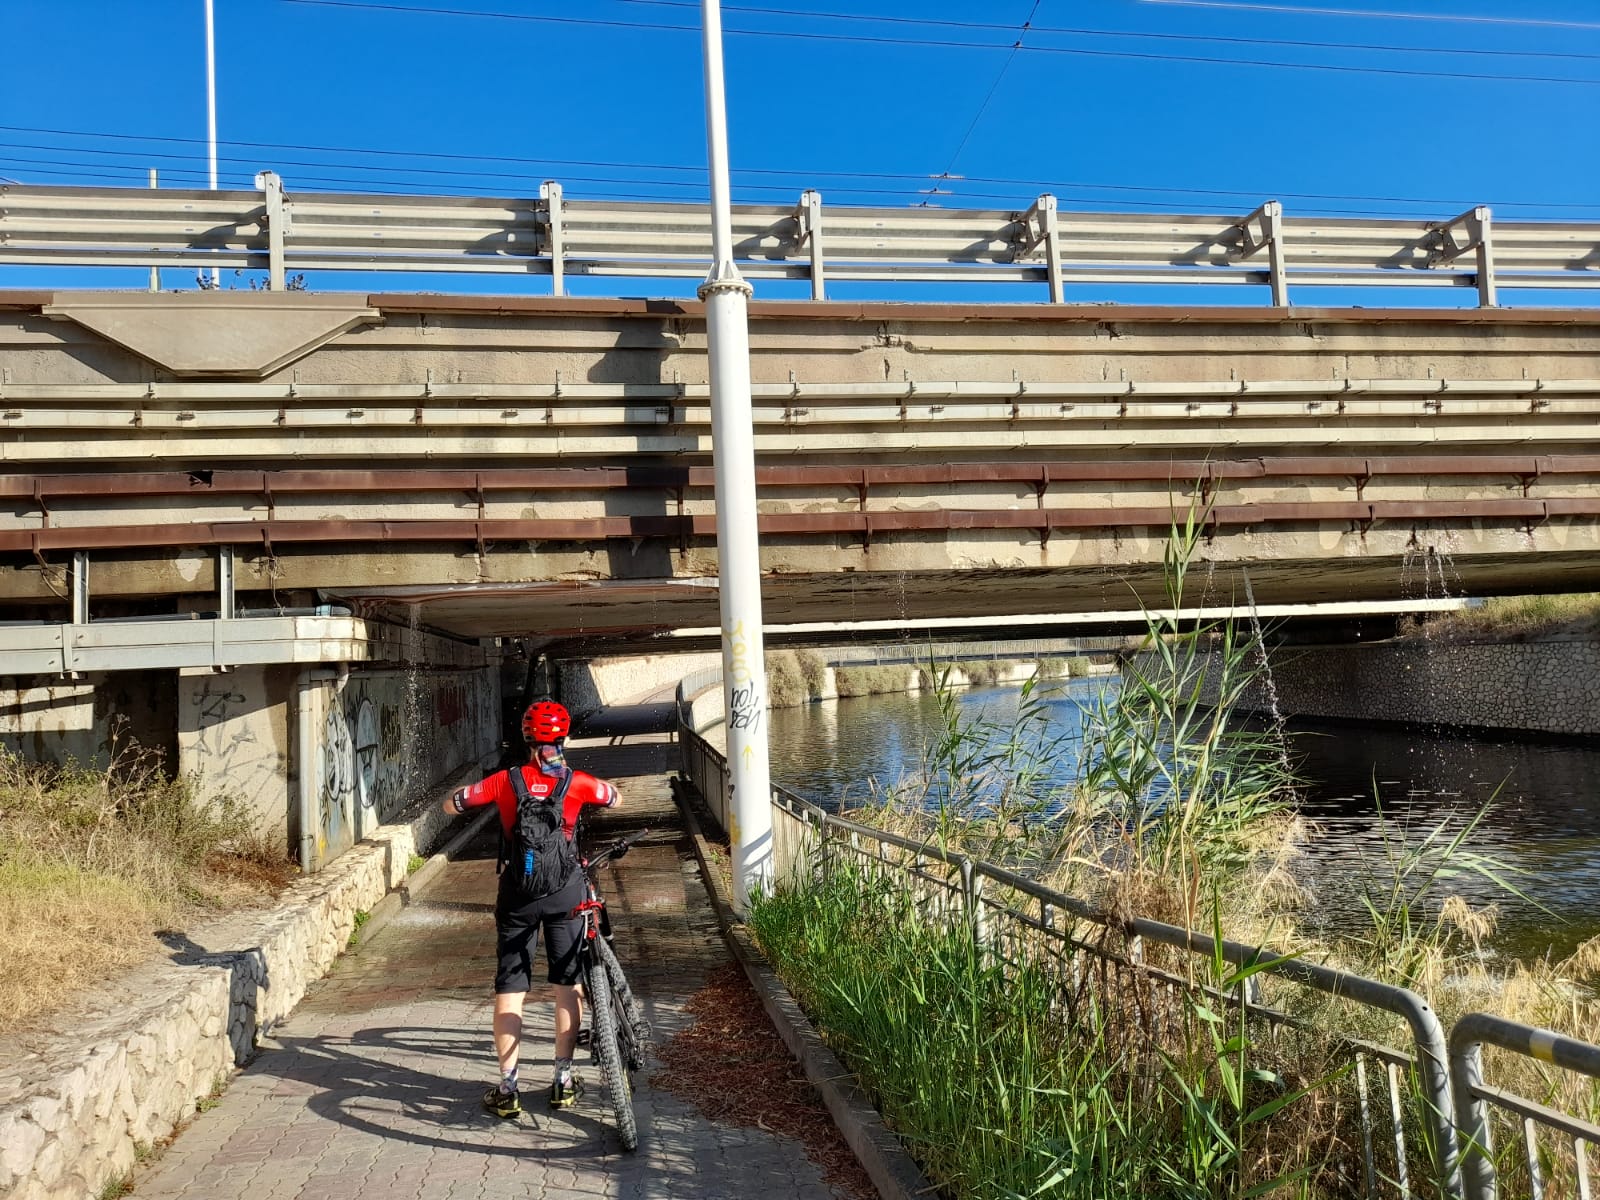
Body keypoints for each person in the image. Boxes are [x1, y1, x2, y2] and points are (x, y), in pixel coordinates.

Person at [440, 698, 621, 1119]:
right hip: (566, 894)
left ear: (525, 739)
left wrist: (460, 795)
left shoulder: (505, 781)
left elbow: (453, 805)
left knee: (510, 993)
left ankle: (509, 1088)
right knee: (566, 986)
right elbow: (614, 798)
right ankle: (562, 1080)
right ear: (563, 738)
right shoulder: (575, 782)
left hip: (518, 896)